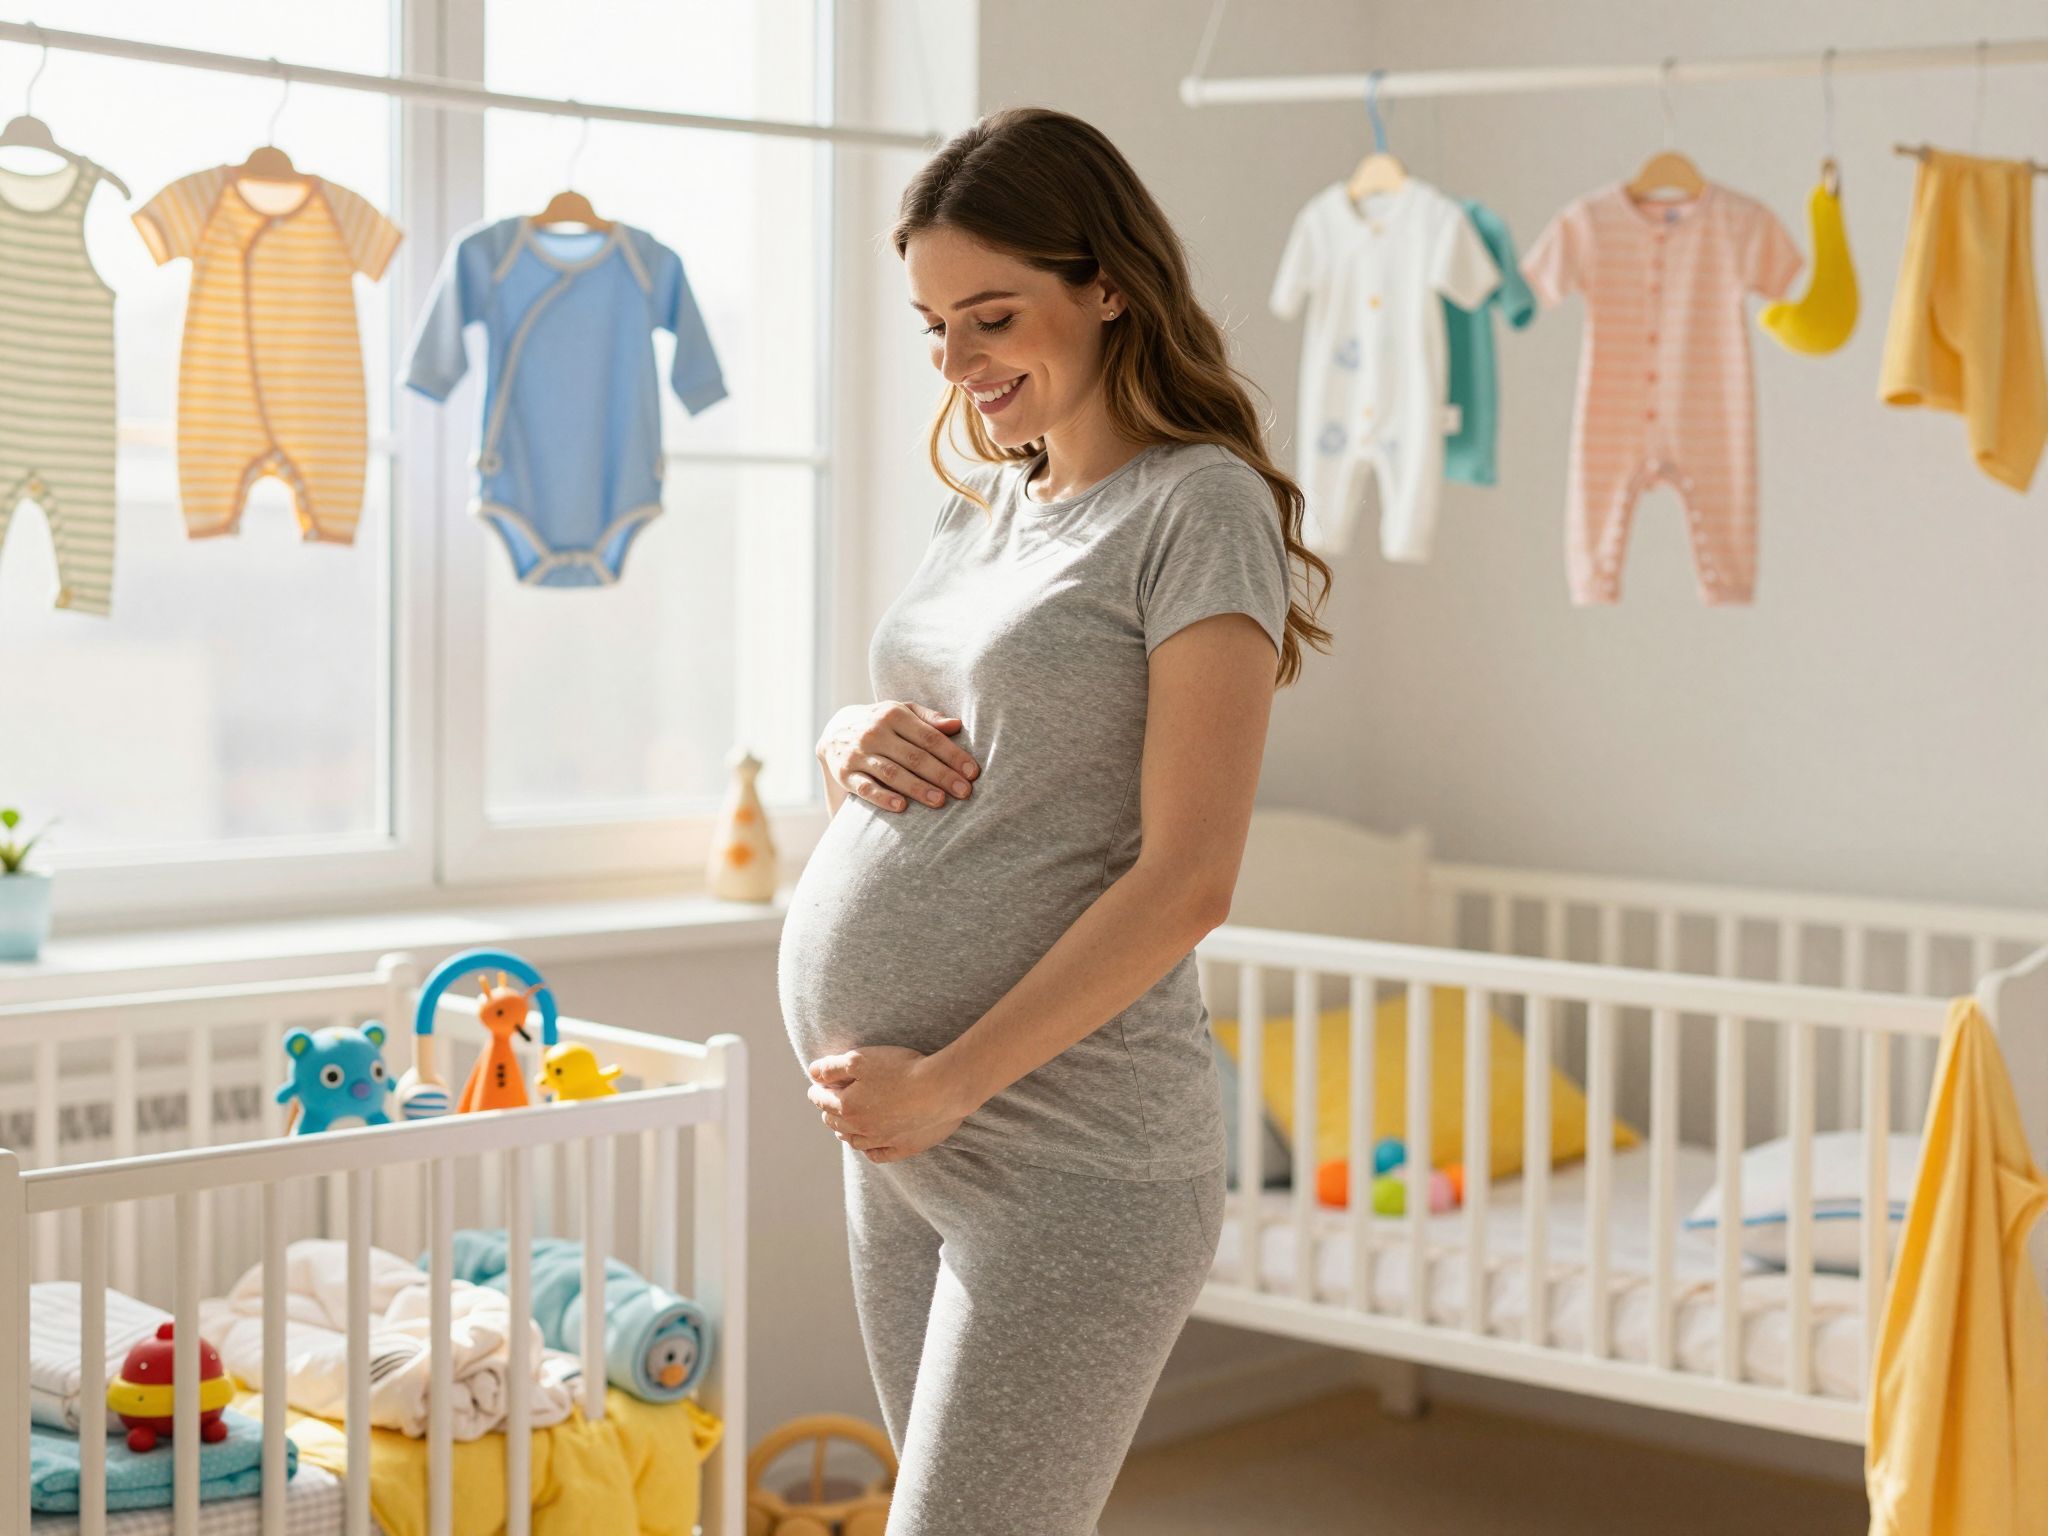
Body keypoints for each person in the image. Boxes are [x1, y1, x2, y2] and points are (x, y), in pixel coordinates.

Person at [775, 106, 1332, 1535]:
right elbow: (971, 716)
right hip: (908, 1143)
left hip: (1066, 1156)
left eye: (991, 317)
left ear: (1107, 286)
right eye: (933, 329)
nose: (960, 367)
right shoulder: (993, 505)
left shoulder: (1196, 508)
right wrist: (848, 735)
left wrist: (953, 1077)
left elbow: (1189, 877)